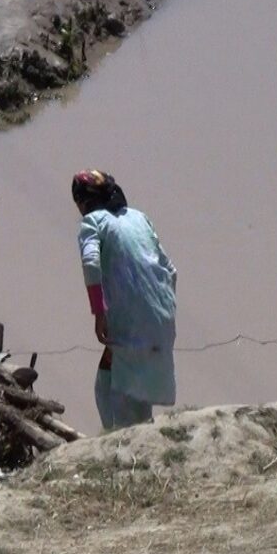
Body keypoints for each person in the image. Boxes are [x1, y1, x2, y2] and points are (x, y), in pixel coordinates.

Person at [72, 170, 177, 430]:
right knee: (125, 382)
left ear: (82, 203)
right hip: (162, 316)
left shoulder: (92, 223)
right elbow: (171, 270)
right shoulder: (140, 218)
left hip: (130, 322)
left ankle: (118, 440)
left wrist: (99, 313)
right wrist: (159, 310)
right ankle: (130, 433)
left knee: (118, 391)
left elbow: (90, 262)